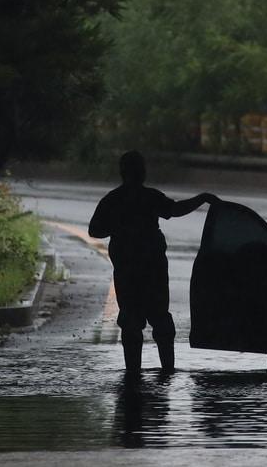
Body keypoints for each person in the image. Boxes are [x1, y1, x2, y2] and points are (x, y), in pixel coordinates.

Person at [88, 150, 218, 374]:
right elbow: (174, 210)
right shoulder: (150, 197)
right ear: (141, 172)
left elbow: (95, 230)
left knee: (130, 318)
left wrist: (119, 228)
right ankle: (168, 369)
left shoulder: (112, 200)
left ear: (122, 172)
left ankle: (133, 372)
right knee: (160, 318)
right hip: (153, 269)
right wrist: (202, 199)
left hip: (127, 270)